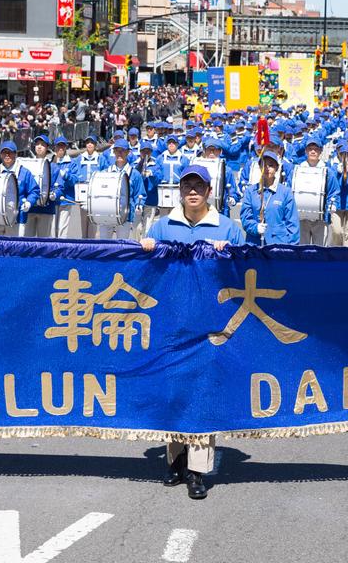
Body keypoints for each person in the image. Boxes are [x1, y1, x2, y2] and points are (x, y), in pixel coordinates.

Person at [139, 164, 245, 500]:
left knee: (202, 395)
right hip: (170, 324)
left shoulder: (227, 227)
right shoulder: (162, 225)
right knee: (173, 392)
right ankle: (176, 459)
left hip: (211, 327)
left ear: (210, 192)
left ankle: (197, 470)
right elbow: (140, 269)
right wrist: (143, 246)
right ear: (180, 191)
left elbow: (248, 267)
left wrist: (228, 254)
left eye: (199, 186)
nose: (193, 192)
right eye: (187, 186)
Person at [239, 150, 300, 245]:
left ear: (277, 168)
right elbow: (245, 218)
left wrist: (291, 249)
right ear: (259, 167)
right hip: (255, 245)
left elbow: (292, 223)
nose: (267, 168)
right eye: (263, 165)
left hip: (278, 246)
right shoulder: (250, 191)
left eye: (271, 165)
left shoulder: (286, 192)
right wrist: (255, 227)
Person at [292, 139, 338, 245]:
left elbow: (334, 192)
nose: (313, 152)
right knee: (302, 251)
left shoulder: (327, 171)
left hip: (321, 219)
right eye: (310, 149)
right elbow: (292, 190)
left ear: (320, 152)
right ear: (305, 151)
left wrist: (333, 204)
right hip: (301, 218)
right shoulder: (298, 170)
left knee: (321, 252)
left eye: (316, 149)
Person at [0, 140, 41, 237]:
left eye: (10, 152)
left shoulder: (24, 172)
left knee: (14, 247)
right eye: (4, 152)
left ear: (15, 154)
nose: (7, 155)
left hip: (17, 218)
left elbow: (35, 191)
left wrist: (29, 202)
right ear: (0, 155)